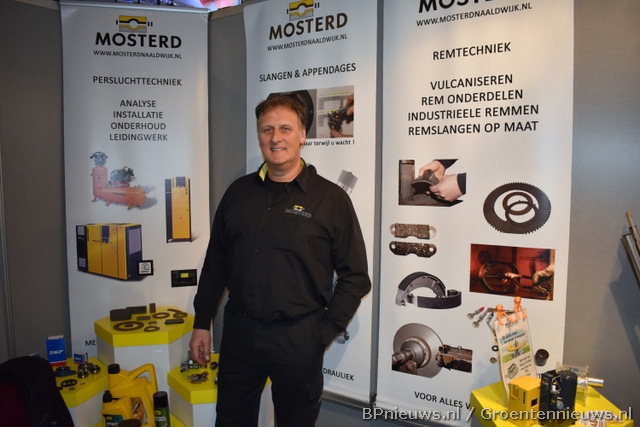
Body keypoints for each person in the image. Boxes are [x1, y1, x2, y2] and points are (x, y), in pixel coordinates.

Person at [189, 94, 372, 427]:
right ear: (259, 136)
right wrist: (202, 321)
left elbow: (356, 277)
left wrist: (322, 333)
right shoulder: (238, 193)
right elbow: (216, 263)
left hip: (299, 338)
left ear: (302, 135)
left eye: (285, 128)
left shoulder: (330, 199)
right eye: (267, 129)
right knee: (230, 420)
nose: (276, 138)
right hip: (240, 334)